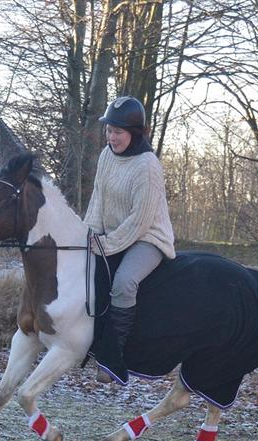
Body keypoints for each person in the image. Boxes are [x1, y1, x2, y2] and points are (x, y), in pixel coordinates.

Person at [84, 95, 176, 384]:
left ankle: (113, 358)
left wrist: (106, 246)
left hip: (148, 238)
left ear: (135, 133)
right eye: (109, 130)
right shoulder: (106, 156)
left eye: (118, 132)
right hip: (112, 235)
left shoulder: (147, 166)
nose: (111, 137)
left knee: (124, 283)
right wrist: (89, 234)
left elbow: (140, 221)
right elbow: (98, 197)